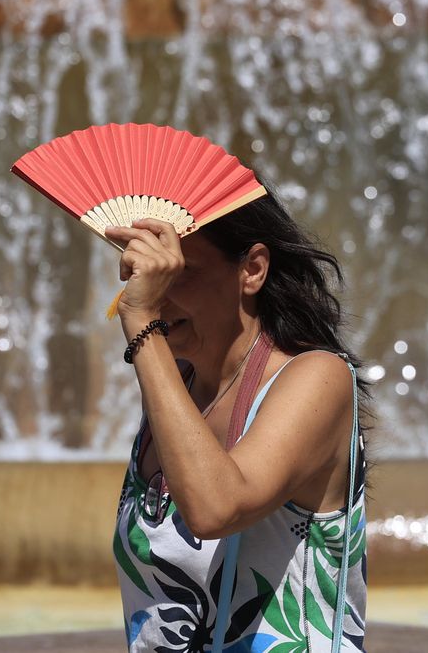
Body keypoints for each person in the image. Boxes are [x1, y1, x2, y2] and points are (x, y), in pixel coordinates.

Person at [106, 192, 368, 652]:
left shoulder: (318, 378)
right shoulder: (177, 390)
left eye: (179, 272)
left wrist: (142, 322)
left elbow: (214, 510)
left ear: (252, 270)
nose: (154, 292)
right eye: (147, 271)